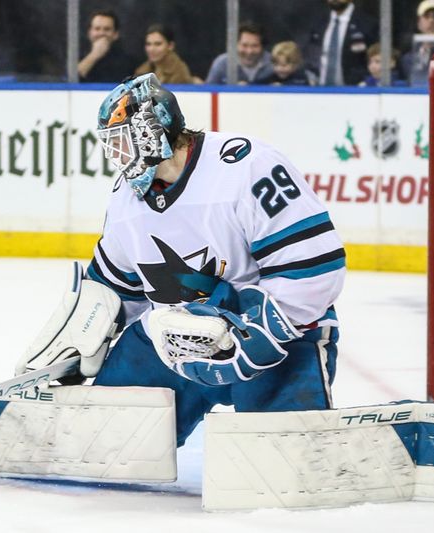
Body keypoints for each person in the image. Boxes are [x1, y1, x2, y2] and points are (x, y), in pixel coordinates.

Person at [71, 73, 345, 446]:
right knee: (99, 440)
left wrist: (257, 335)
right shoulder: (125, 200)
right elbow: (113, 290)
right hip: (171, 343)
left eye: (122, 143)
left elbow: (314, 266)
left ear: (151, 132)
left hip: (274, 341)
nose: (117, 158)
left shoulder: (247, 167)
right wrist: (74, 343)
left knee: (282, 463)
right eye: (111, 146)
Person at [304, 0, 378, 86]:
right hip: (319, 90)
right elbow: (311, 54)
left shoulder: (368, 23)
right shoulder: (318, 22)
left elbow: (375, 55)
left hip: (356, 90)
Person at [205, 20, 274, 85]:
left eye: (255, 46)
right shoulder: (222, 63)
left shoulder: (273, 63)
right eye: (244, 45)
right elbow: (208, 93)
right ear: (236, 44)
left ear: (262, 46)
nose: (249, 51)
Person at [78, 10, 137, 83]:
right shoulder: (77, 58)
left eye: (107, 29)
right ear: (89, 33)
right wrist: (94, 55)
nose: (101, 33)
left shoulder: (128, 61)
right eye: (97, 29)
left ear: (116, 34)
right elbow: (69, 81)